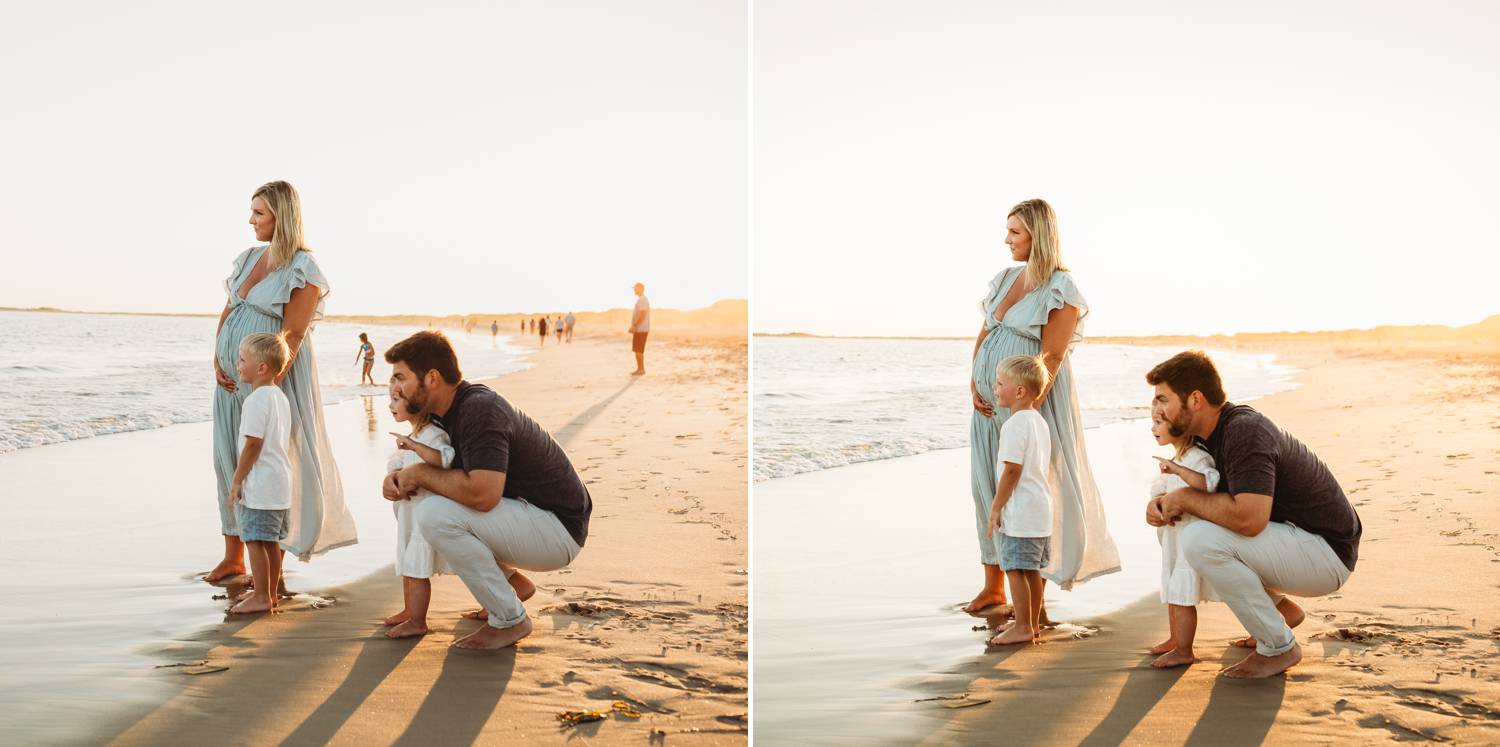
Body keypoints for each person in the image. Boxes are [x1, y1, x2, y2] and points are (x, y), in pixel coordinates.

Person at [1146, 350, 1360, 678]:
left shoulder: (1244, 432)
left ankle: (1278, 647)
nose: (1156, 409)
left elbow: (1249, 519)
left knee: (1201, 540)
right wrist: (1162, 502)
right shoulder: (1213, 437)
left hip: (1325, 553)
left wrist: (1184, 498)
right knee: (1204, 531)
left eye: (1163, 399)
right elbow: (1213, 499)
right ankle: (1277, 618)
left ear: (1196, 399)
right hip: (1299, 543)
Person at [382, 331, 592, 649]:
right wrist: (399, 476)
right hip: (532, 520)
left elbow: (483, 495)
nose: (395, 388)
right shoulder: (453, 413)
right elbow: (450, 475)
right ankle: (507, 590)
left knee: (435, 514)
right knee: (436, 503)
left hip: (556, 529)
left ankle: (510, 619)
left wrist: (420, 473)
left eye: (401, 378)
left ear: (432, 378)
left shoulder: (479, 410)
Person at [966, 198, 1119, 615]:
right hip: (991, 402)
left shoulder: (1060, 288)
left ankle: (1032, 595)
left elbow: (1052, 355)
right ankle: (993, 586)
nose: (1007, 239)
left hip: (1027, 403)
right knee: (987, 486)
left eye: (1015, 231)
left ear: (1039, 235)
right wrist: (974, 381)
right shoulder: (1003, 278)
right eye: (1008, 230)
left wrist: (1026, 407)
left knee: (1034, 486)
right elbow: (984, 335)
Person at [209, 180, 356, 582]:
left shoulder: (302, 268)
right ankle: (233, 556)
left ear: (282, 216)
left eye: (259, 213)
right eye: (252, 211)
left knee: (273, 460)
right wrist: (217, 357)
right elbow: (228, 311)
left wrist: (266, 383)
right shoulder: (247, 258)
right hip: (232, 379)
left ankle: (270, 561)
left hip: (268, 379)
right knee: (228, 458)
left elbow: (293, 333)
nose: (251, 219)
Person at [983, 355, 1053, 645]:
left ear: (1020, 391)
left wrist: (996, 507)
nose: (994, 387)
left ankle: (1023, 626)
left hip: (1022, 511)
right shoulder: (1038, 422)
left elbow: (1012, 471)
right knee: (1031, 569)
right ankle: (1031, 624)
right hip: (1040, 509)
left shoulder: (1014, 425)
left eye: (1000, 383)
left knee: (1013, 568)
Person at [225, 333, 293, 614]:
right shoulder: (279, 397)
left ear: (262, 367)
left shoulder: (255, 400)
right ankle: (270, 593)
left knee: (254, 539)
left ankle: (262, 596)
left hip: (262, 484)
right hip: (280, 483)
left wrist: (237, 480)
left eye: (242, 360)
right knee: (271, 542)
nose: (237, 364)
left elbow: (253, 444)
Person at [1146, 415, 1220, 668]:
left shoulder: (1197, 457)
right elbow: (1162, 489)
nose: (1152, 428)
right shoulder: (1176, 458)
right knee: (1171, 591)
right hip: (1173, 540)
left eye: (1158, 422)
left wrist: (1178, 471)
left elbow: (1210, 483)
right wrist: (1157, 503)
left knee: (1182, 593)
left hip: (1190, 539)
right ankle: (1174, 639)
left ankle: (1184, 650)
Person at [381, 387, 456, 639]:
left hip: (424, 514)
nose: (390, 405)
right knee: (407, 564)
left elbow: (444, 460)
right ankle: (408, 610)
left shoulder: (434, 435)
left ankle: (418, 620)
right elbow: (397, 463)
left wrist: (414, 445)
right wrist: (391, 478)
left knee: (417, 567)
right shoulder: (413, 434)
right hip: (407, 515)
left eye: (395, 399)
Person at [629, 283, 650, 375]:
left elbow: (642, 314)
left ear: (640, 288)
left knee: (639, 350)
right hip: (639, 329)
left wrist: (634, 325)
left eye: (635, 288)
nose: (634, 290)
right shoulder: (641, 299)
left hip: (641, 329)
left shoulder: (643, 299)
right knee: (637, 350)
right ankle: (639, 369)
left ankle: (641, 369)